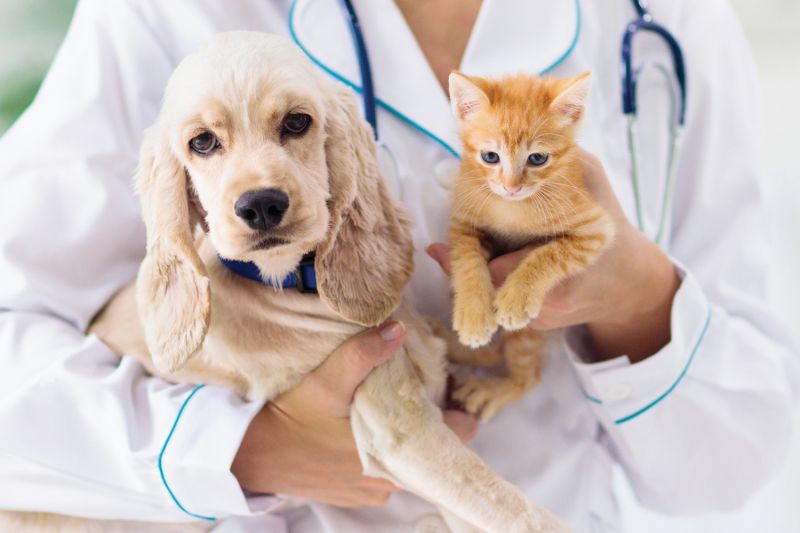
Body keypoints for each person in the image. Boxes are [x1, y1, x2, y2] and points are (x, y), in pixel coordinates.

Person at [0, 0, 796, 531]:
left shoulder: (670, 19)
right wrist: (236, 447)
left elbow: (731, 470)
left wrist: (637, 296)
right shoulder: (165, 13)